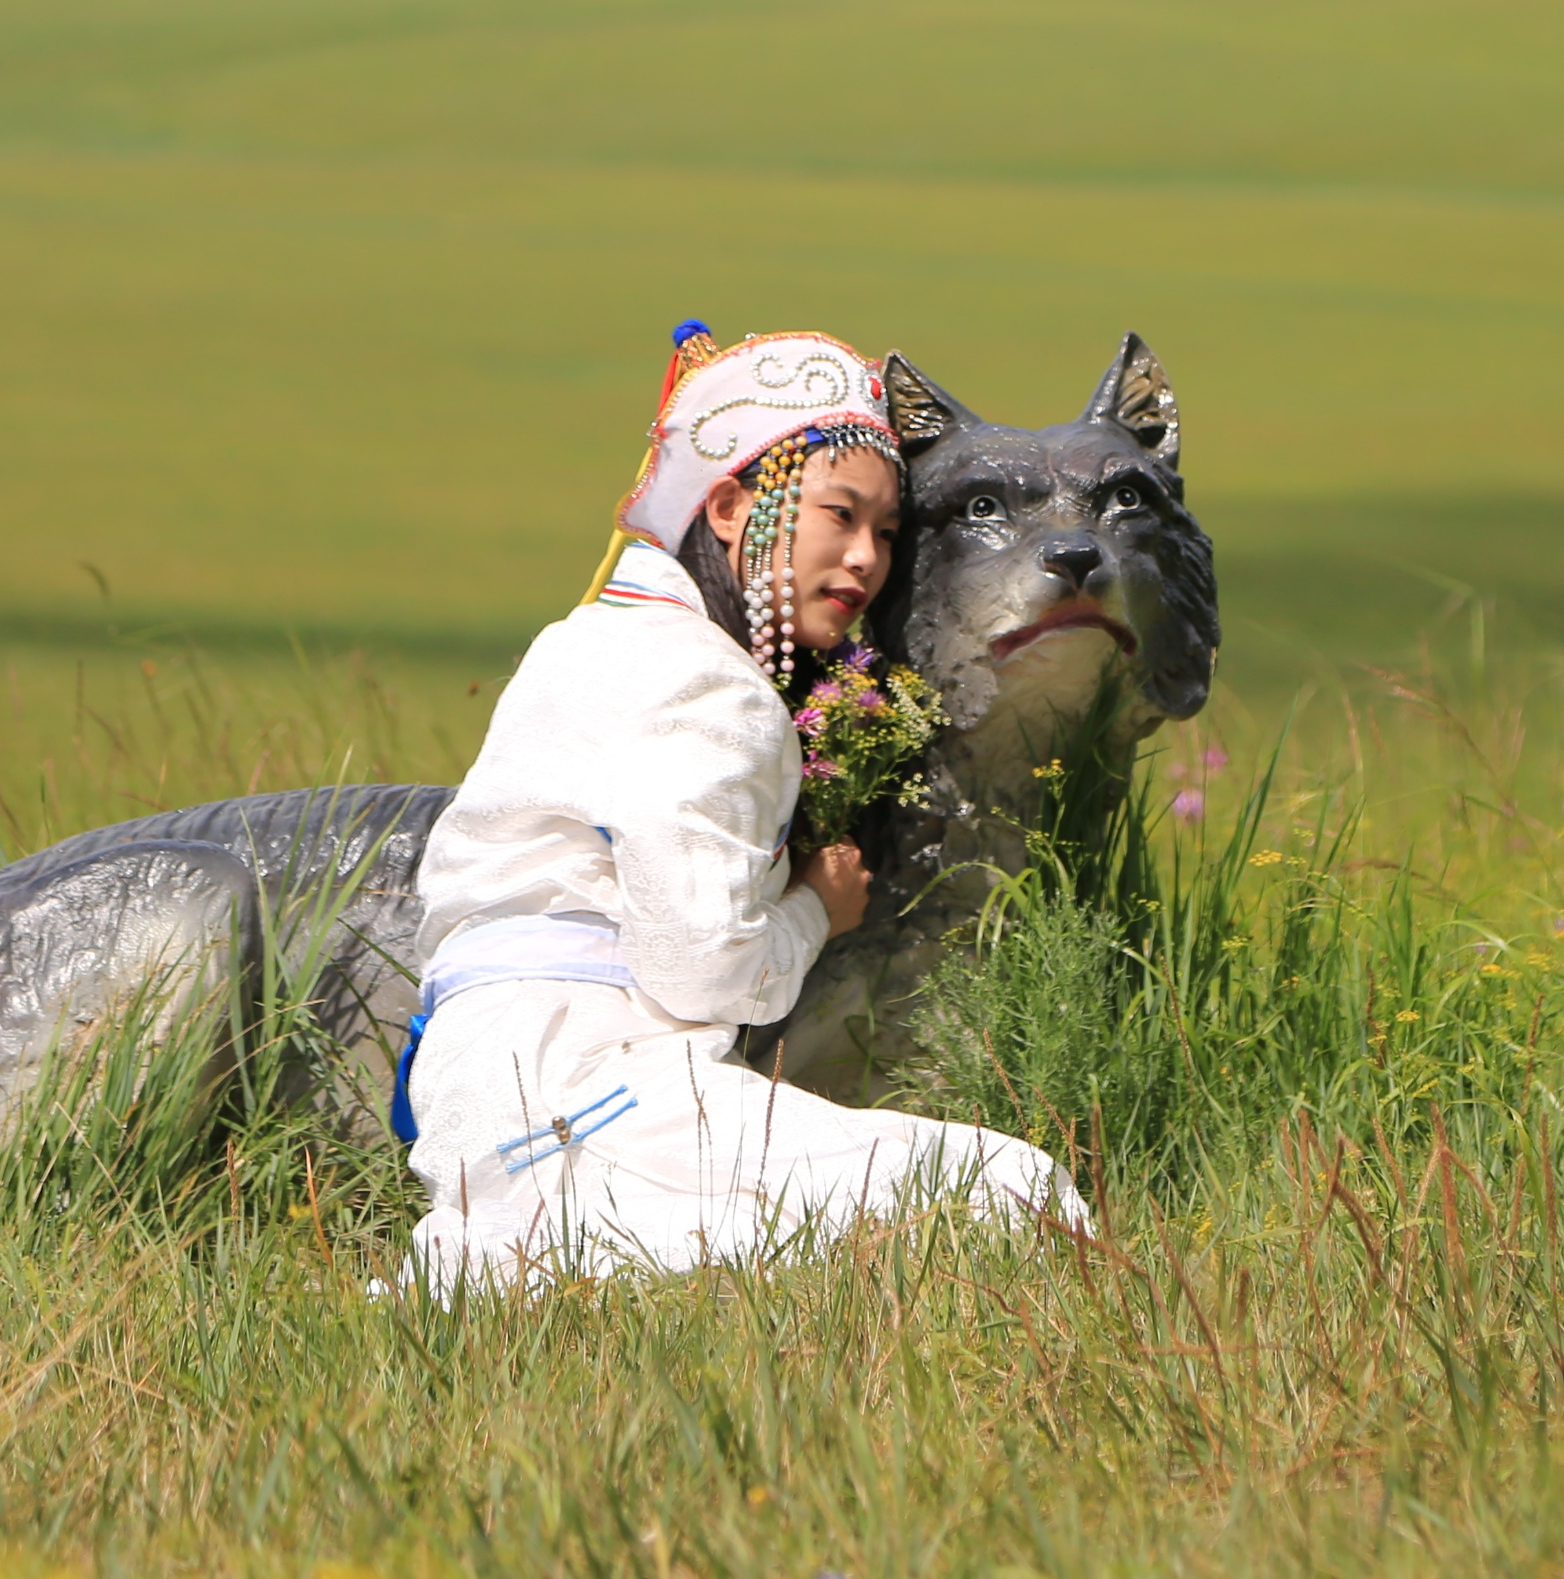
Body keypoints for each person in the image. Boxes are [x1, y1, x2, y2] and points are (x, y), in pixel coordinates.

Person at [397, 323, 1081, 1289]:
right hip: (590, 1084)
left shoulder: (582, 640)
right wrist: (814, 907)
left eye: (886, 532)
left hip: (484, 1087)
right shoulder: (710, 687)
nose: (866, 559)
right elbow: (704, 975)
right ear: (726, 505)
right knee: (1010, 1187)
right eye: (836, 515)